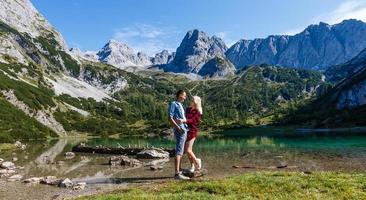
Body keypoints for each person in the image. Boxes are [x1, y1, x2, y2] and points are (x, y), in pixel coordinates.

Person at [175, 96, 202, 173]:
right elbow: (183, 116)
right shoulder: (188, 109)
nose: (191, 101)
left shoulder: (197, 111)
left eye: (192, 100)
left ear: (196, 102)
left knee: (188, 150)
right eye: (191, 100)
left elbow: (193, 120)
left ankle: (197, 161)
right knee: (187, 151)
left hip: (192, 131)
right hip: (186, 131)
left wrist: (184, 120)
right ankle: (192, 166)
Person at [168, 90, 190, 180]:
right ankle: (177, 174)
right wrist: (178, 127)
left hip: (184, 128)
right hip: (180, 129)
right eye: (184, 95)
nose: (185, 97)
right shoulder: (174, 103)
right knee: (179, 151)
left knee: (181, 151)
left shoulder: (181, 105)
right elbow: (170, 117)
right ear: (180, 95)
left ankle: (179, 170)